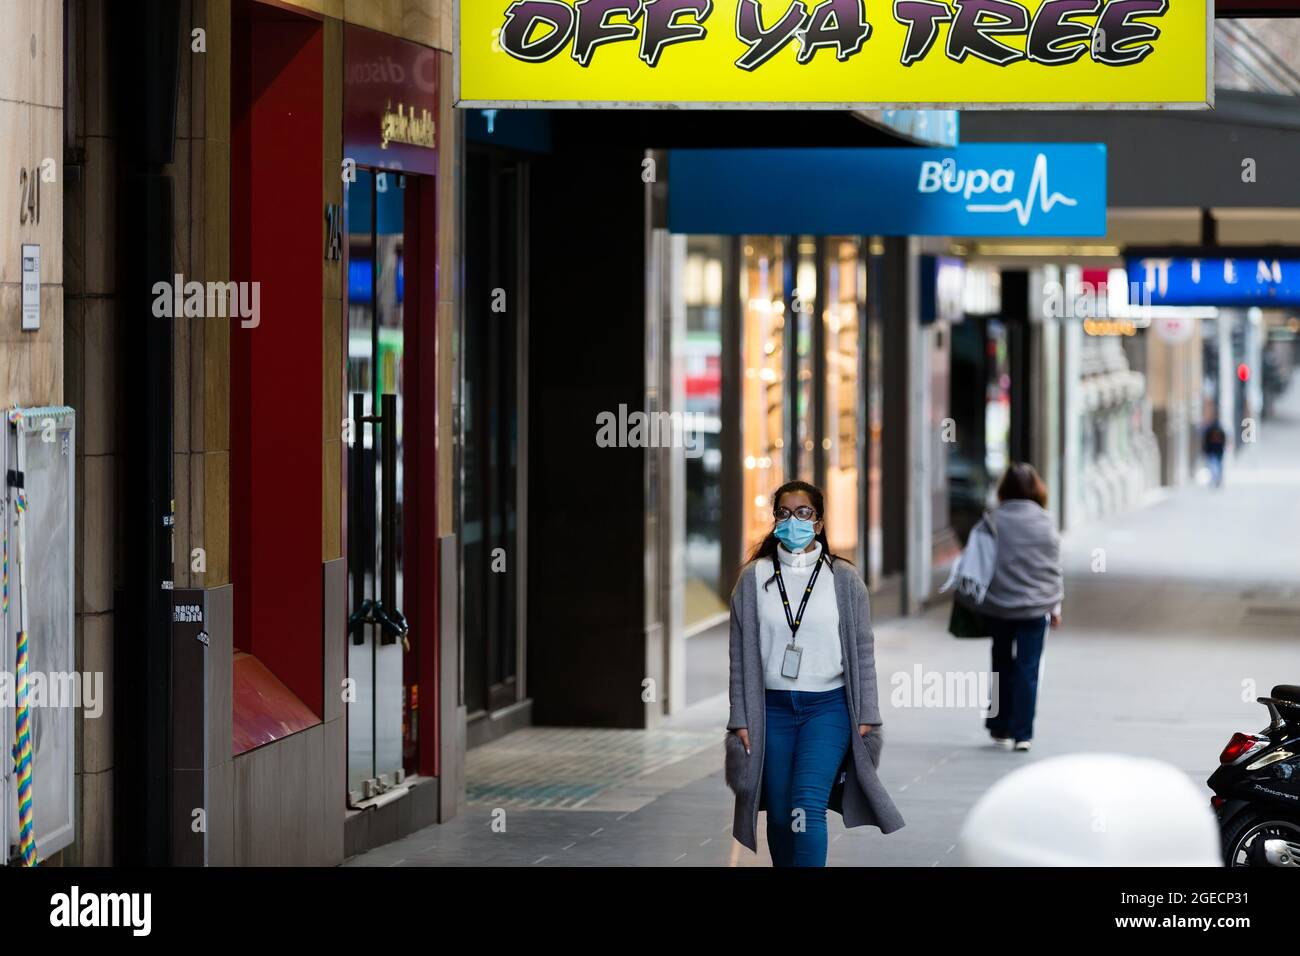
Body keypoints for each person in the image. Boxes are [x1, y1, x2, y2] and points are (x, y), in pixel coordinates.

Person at [724, 480, 904, 866]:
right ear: (774, 522)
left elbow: (862, 649)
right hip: (770, 711)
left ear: (818, 523)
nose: (794, 521)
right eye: (784, 513)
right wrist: (740, 717)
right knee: (781, 809)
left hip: (829, 708)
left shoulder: (843, 579)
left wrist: (868, 713)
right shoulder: (753, 579)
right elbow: (738, 655)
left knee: (807, 803)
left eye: (803, 513)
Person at [980, 463, 1063, 753]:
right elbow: (1053, 567)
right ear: (1036, 488)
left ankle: (999, 725)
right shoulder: (1046, 522)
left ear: (1004, 489)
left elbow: (978, 561)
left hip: (1000, 605)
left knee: (1000, 665)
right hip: (1036, 606)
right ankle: (1022, 733)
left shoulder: (992, 520)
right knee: (1028, 669)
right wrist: (1055, 605)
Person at [1203, 418, 1227, 488]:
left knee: (1215, 467)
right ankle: (1216, 479)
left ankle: (1216, 479)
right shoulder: (1214, 431)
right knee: (1215, 466)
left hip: (1215, 452)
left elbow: (1206, 442)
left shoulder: (1210, 431)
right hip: (1215, 452)